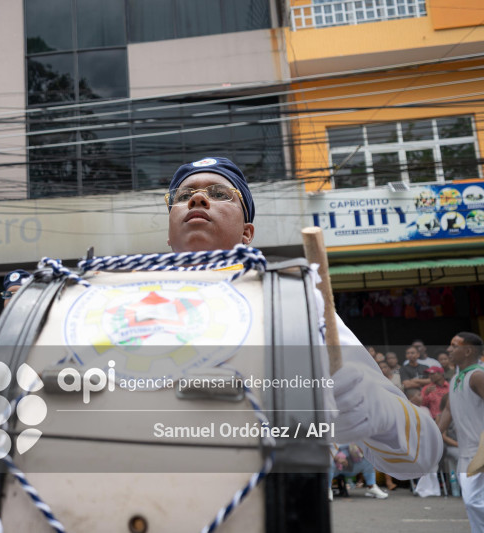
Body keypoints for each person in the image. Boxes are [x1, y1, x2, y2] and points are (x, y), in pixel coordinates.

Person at [165, 156, 442, 477]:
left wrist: (376, 410)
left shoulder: (290, 303)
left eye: (220, 193)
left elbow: (423, 455)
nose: (198, 199)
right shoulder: (119, 309)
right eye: (184, 196)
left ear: (246, 232)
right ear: (170, 235)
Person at [438, 332, 484, 529]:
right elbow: (449, 408)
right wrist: (435, 434)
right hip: (466, 451)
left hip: (479, 450)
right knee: (470, 500)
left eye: (454, 345)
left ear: (467, 351)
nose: (449, 350)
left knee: (474, 500)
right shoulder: (458, 376)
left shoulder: (478, 376)